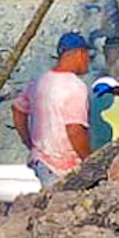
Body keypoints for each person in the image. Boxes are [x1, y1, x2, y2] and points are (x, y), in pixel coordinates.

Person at [11, 32, 94, 185]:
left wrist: (30, 143)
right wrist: (90, 162)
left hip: (42, 163)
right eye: (88, 56)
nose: (88, 61)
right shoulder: (75, 87)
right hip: (63, 168)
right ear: (80, 54)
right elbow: (75, 130)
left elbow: (17, 110)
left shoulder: (40, 81)